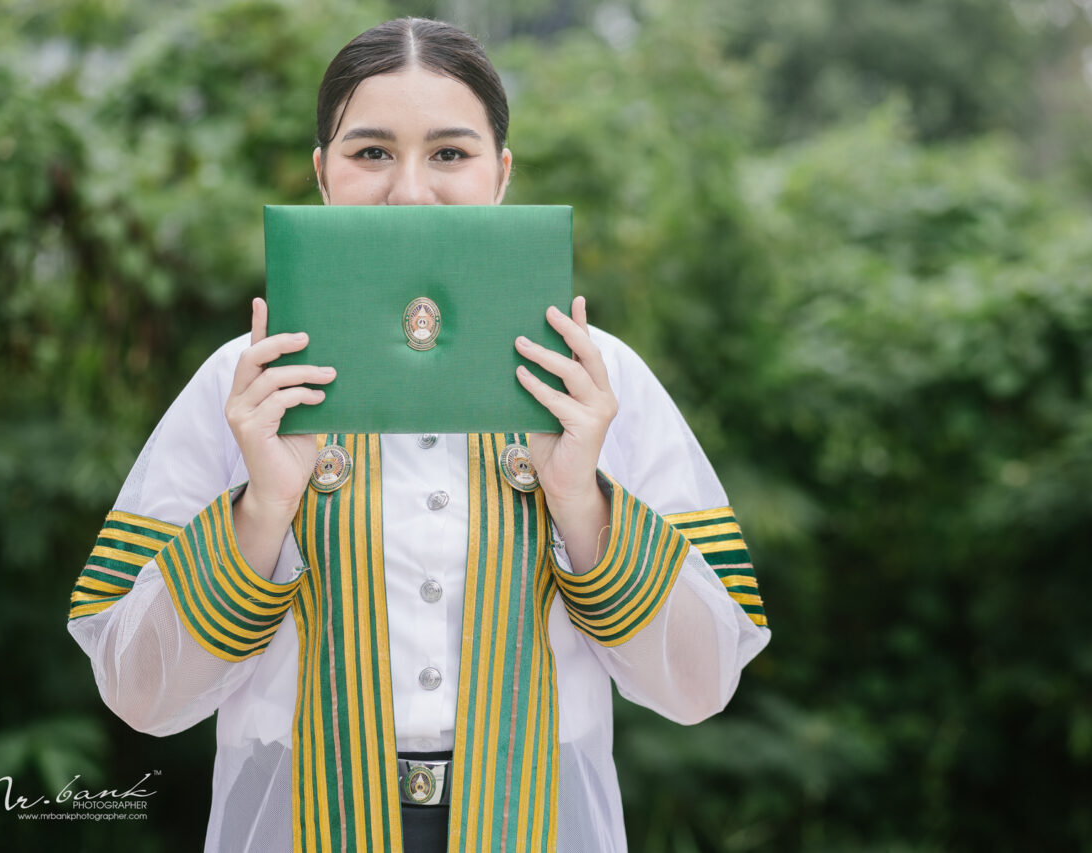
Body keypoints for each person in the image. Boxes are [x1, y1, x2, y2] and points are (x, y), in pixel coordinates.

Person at [67, 17, 769, 853]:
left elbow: (700, 685)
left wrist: (581, 499)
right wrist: (262, 508)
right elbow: (139, 693)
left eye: (448, 153)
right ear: (322, 173)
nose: (408, 190)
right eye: (370, 153)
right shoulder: (245, 383)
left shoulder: (590, 379)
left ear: (500, 175)